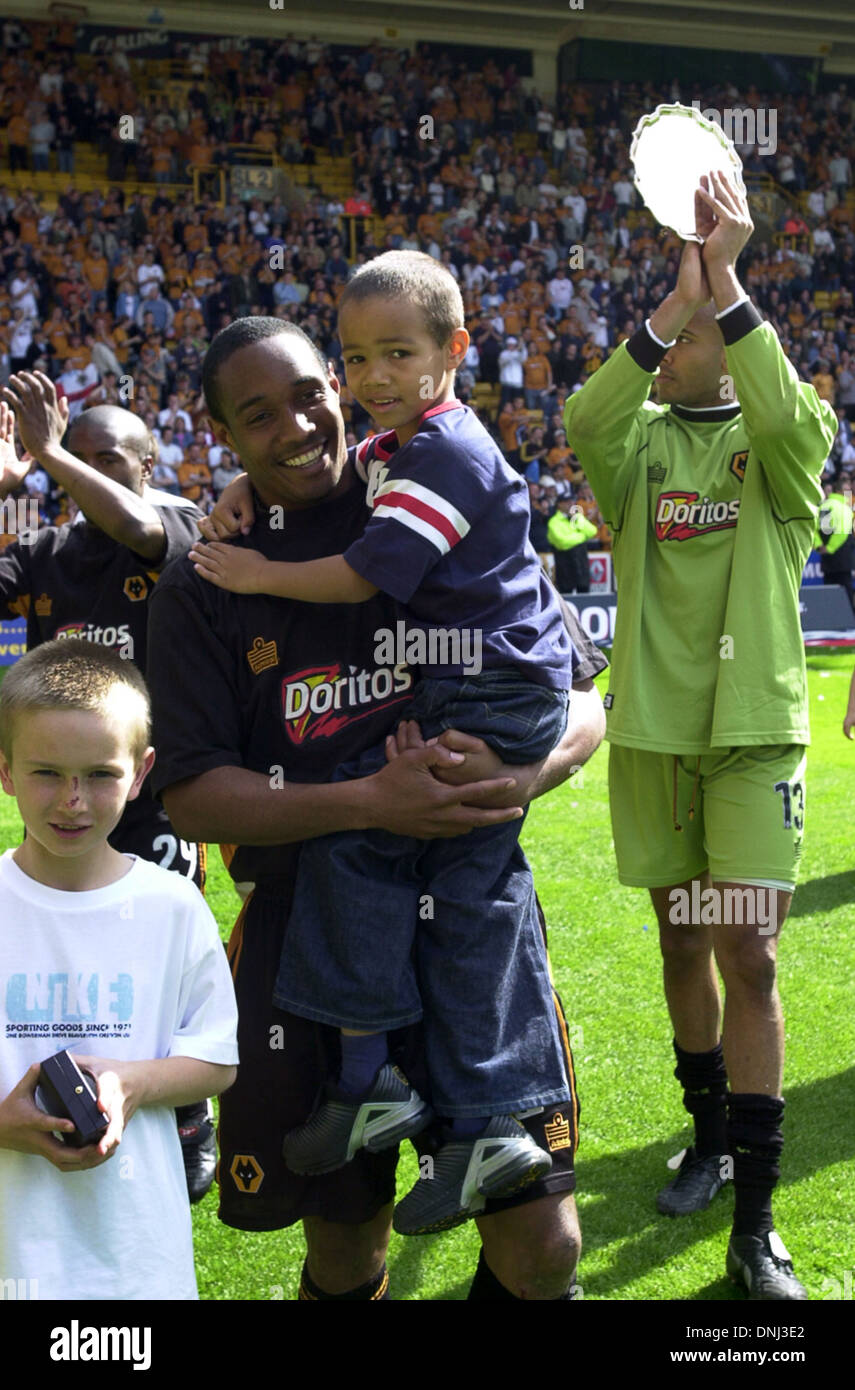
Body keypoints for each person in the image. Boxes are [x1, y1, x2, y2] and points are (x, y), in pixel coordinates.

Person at [147, 316, 606, 1301]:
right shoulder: (207, 579)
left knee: (543, 1241)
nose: (298, 425)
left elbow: (582, 698)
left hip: (470, 914)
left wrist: (520, 778)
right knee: (348, 1243)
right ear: (223, 433)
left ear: (340, 384)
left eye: (311, 391)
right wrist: (368, 799)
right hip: (308, 927)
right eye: (259, 415)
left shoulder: (431, 494)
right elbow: (188, 796)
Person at [565, 171, 836, 1300]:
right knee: (682, 946)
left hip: (752, 740)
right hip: (657, 744)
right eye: (669, 335)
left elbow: (779, 410)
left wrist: (725, 275)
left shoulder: (784, 448)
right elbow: (588, 414)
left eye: (695, 330)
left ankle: (757, 1219)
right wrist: (674, 300)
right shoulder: (637, 453)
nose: (677, 345)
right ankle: (708, 1133)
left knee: (751, 954)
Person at [0, 382, 218, 1201]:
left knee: (156, 962)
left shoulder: (176, 524)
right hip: (63, 797)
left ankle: (189, 1118)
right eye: (74, 458)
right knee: (69, 959)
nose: (85, 474)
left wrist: (50, 454)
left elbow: (137, 525)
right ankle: (68, 1090)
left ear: (147, 463)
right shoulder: (48, 551)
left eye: (107, 459)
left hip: (152, 795)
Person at [0, 639, 238, 1300]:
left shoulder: (170, 905)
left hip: (135, 1257)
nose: (73, 800)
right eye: (46, 772)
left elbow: (217, 1058)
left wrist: (131, 1084)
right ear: (5, 771)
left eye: (100, 774)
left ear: (141, 773)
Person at [547, 496, 598, 594]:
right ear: (559, 504)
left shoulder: (577, 517)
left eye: (571, 501)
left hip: (581, 564)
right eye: (567, 502)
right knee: (566, 595)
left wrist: (577, 518)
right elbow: (562, 542)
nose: (570, 504)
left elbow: (592, 531)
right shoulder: (554, 521)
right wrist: (582, 537)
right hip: (565, 565)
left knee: (584, 593)